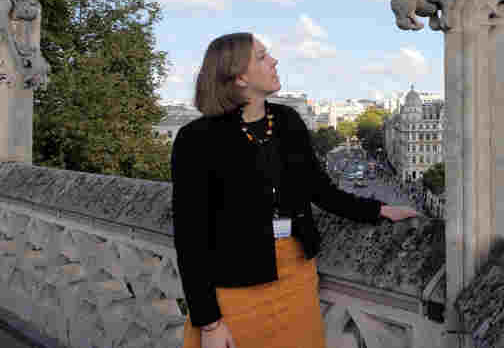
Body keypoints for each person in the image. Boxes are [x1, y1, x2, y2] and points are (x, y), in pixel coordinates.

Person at [172, 33, 419, 348]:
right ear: (239, 76)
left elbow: (319, 188)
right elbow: (190, 236)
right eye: (262, 57)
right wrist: (208, 324)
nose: (274, 61)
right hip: (235, 289)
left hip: (296, 276)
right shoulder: (197, 139)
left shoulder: (286, 121)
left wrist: (377, 210)